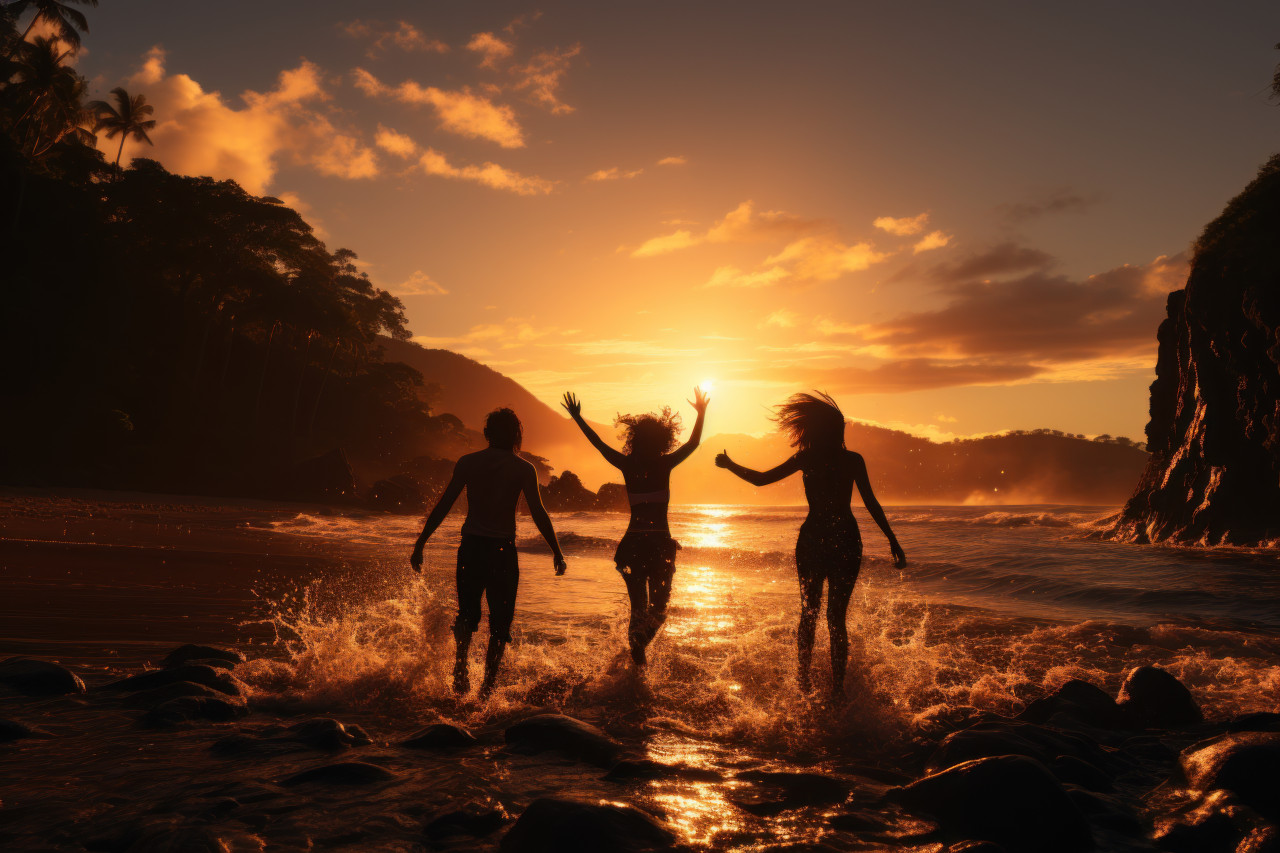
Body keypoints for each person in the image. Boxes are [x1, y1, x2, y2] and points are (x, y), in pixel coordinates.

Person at [714, 392, 905, 700]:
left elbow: (761, 480)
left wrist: (730, 464)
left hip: (814, 540)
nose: (843, 431)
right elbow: (870, 502)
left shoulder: (809, 459)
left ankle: (805, 683)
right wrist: (892, 540)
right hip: (845, 539)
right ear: (832, 430)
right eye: (839, 426)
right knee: (834, 617)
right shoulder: (851, 460)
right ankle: (837, 690)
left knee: (810, 613)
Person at [410, 407, 566, 699]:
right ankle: (487, 686)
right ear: (516, 435)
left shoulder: (469, 462)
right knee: (500, 621)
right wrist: (556, 551)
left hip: (471, 548)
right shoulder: (522, 468)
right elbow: (538, 512)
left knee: (467, 615)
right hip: (502, 552)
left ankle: (460, 671)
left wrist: (421, 543)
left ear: (487, 434)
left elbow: (444, 504)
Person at [561, 388, 709, 666]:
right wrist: (701, 413)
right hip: (658, 545)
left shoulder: (627, 464)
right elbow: (693, 443)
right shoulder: (665, 464)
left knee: (638, 610)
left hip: (633, 545)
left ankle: (637, 658)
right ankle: (638, 655)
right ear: (662, 439)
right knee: (659, 611)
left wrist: (578, 419)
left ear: (636, 439)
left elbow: (597, 443)